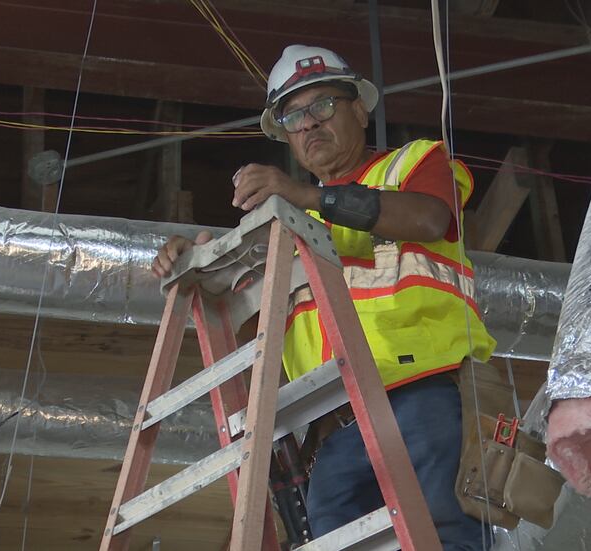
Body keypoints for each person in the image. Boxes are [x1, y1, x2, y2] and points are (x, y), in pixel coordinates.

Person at [151, 45, 496, 550]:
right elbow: (252, 325)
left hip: (419, 393)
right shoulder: (287, 229)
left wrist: (304, 196)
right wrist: (202, 266)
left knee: (444, 535)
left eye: (322, 106)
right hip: (335, 429)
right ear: (286, 135)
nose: (308, 124)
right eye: (293, 115)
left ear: (359, 108)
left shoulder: (413, 162)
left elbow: (428, 219)